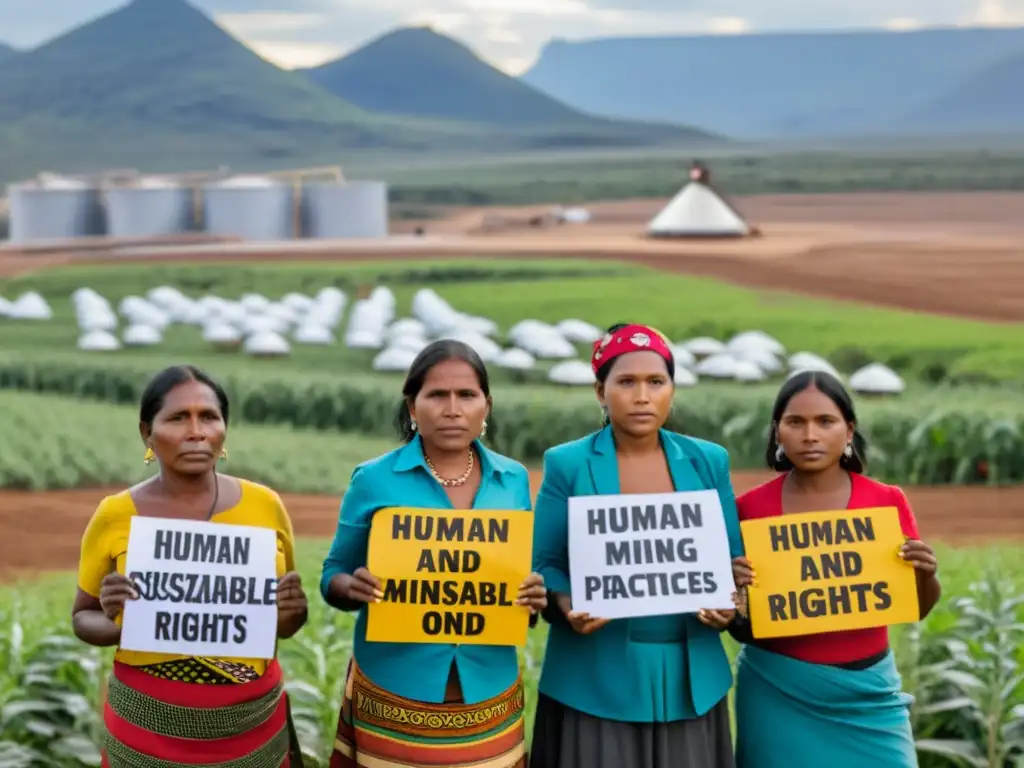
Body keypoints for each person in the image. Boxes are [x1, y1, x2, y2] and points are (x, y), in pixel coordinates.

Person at [320, 340, 548, 768]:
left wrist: (533, 598)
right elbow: (333, 573)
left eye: (466, 395)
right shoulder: (374, 479)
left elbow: (517, 577)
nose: (452, 408)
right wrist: (352, 586)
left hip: (489, 691)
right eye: (437, 395)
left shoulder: (512, 479)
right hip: (394, 692)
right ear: (412, 405)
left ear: (486, 406)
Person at [529, 323, 744, 768]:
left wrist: (731, 602)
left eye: (655, 382)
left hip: (690, 679)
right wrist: (566, 601)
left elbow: (731, 560)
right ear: (600, 391)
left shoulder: (707, 461)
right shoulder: (568, 463)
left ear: (672, 389)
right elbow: (544, 563)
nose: (642, 396)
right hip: (593, 677)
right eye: (626, 382)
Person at [71, 365, 308, 767]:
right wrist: (118, 621)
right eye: (178, 418)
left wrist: (293, 613)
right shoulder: (115, 514)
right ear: (147, 433)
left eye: (209, 417)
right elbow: (82, 618)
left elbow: (282, 623)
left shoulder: (265, 506)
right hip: (147, 728)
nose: (196, 432)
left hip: (249, 724)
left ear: (224, 430)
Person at [729, 369, 942, 768]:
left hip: (870, 696)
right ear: (778, 432)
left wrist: (925, 575)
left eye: (825, 421)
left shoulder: (885, 502)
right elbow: (736, 621)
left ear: (848, 431)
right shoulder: (748, 510)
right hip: (777, 692)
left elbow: (917, 606)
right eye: (796, 422)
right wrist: (733, 587)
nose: (810, 435)